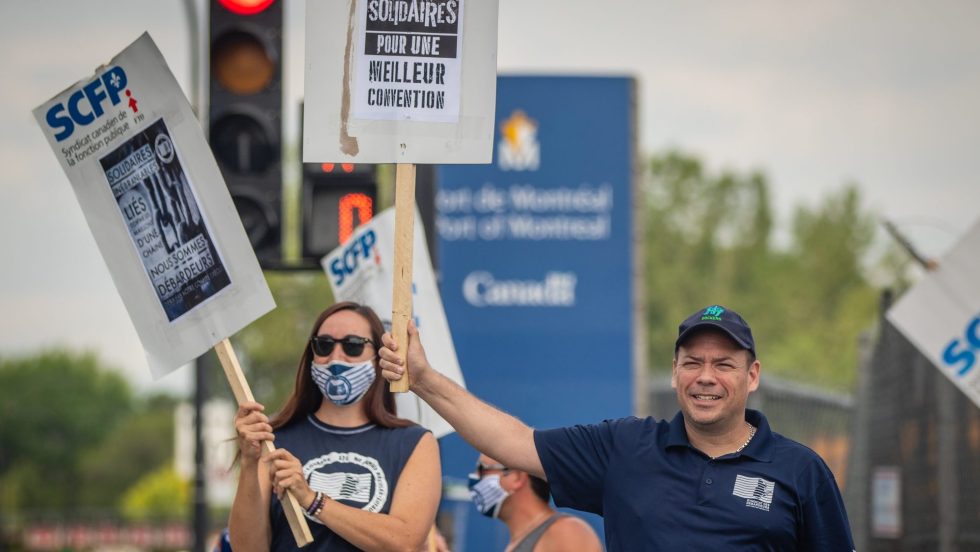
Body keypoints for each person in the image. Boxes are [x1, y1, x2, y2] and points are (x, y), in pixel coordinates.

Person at [379, 304, 855, 551]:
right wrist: (422, 378)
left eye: (723, 364)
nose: (706, 377)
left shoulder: (800, 471)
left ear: (752, 376)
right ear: (674, 372)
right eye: (692, 362)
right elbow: (515, 443)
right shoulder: (625, 447)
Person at [230, 301, 441, 551]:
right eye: (324, 345)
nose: (335, 358)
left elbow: (403, 542)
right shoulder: (274, 440)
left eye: (352, 346)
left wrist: (312, 500)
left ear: (378, 356)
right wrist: (249, 463)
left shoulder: (413, 442)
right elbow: (247, 548)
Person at [468, 454, 603, 552]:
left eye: (482, 469)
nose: (474, 477)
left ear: (517, 477)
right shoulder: (518, 541)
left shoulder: (565, 532)